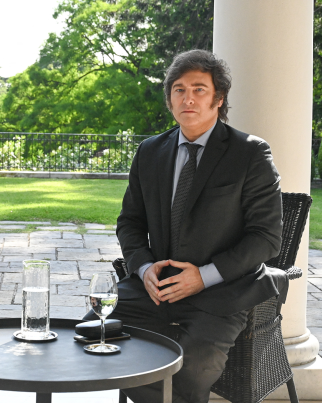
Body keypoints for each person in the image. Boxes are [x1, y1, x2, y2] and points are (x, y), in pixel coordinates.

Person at [84, 50, 285, 403]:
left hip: (221, 292)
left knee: (189, 368)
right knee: (88, 337)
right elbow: (130, 222)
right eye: (178, 89)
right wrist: (144, 267)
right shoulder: (150, 151)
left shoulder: (250, 153)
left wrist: (203, 276)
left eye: (199, 89)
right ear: (169, 99)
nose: (187, 98)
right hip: (154, 289)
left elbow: (266, 238)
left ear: (219, 99)